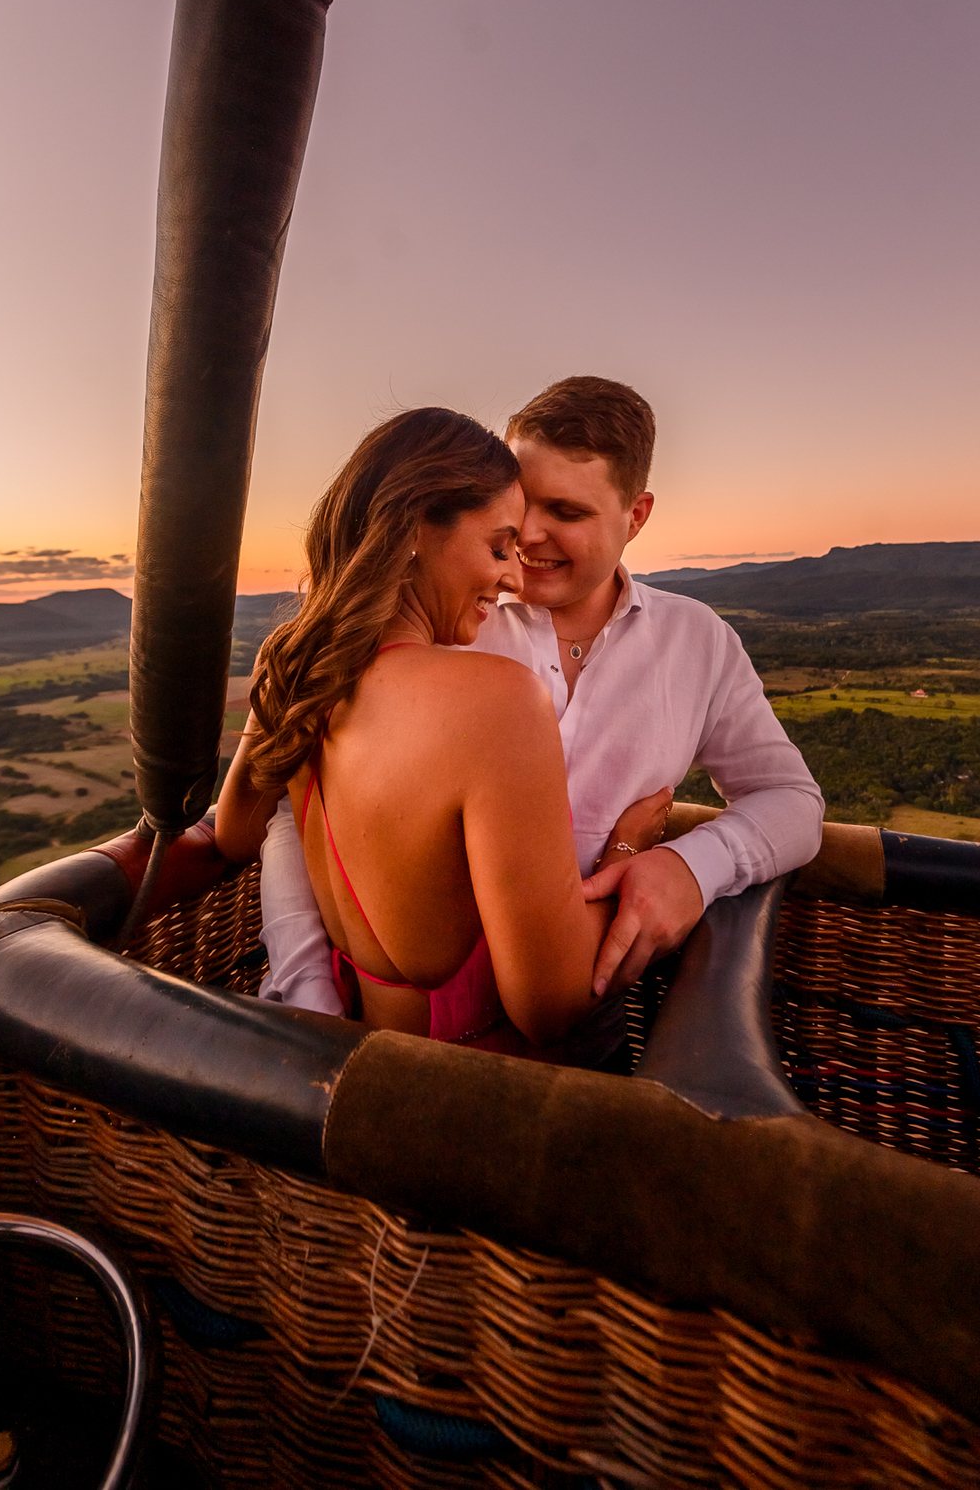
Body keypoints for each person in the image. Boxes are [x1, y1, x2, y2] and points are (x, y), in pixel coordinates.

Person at [240, 377, 824, 1050]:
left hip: (593, 1039)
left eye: (565, 511)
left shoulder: (699, 641)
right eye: (519, 505)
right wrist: (304, 986)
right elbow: (301, 799)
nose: (529, 537)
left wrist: (692, 867)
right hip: (405, 1038)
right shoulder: (448, 620)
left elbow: (792, 801)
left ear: (636, 516)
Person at [216, 407, 670, 1064]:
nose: (514, 578)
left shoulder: (291, 663)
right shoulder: (495, 701)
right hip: (475, 1107)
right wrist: (628, 854)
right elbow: (550, 1007)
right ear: (414, 528)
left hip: (367, 1073)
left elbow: (234, 833)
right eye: (497, 547)